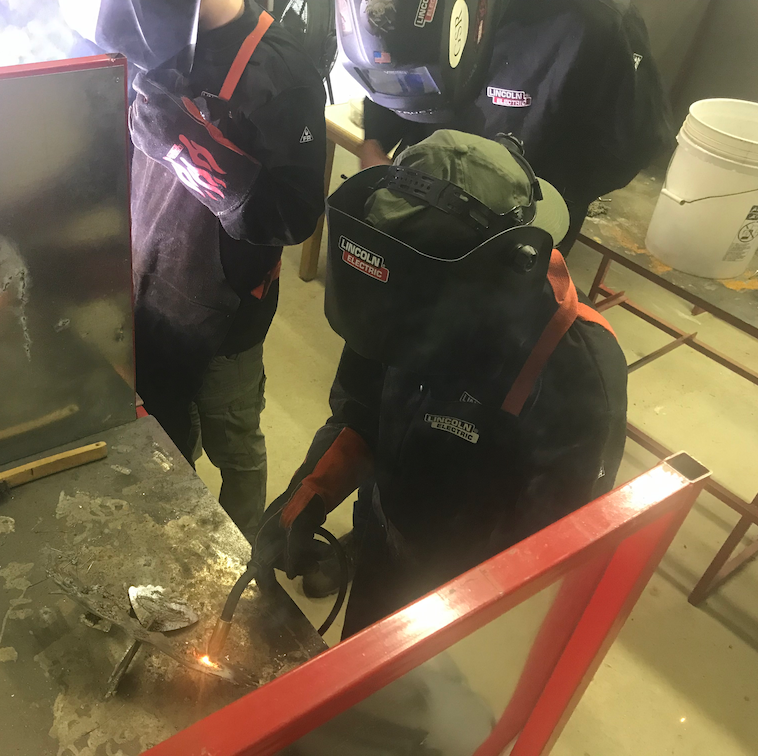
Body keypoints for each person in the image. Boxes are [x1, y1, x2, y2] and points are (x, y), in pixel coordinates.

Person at [253, 130, 628, 635]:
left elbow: (550, 541)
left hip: (469, 588)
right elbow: (363, 408)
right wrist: (311, 493)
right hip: (384, 531)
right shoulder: (399, 295)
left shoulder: (577, 373)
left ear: (505, 267)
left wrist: (452, 611)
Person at [127, 0, 327, 538]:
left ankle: (244, 553)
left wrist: (184, 146)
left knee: (234, 444)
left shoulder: (281, 75)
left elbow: (293, 215)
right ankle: (191, 543)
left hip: (227, 317)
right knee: (173, 439)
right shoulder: (152, 38)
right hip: (153, 289)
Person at [339, 0, 671, 253]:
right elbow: (393, 62)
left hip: (511, 230)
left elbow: (631, 144)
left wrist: (537, 200)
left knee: (483, 321)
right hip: (415, 201)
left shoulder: (597, 23)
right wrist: (374, 143)